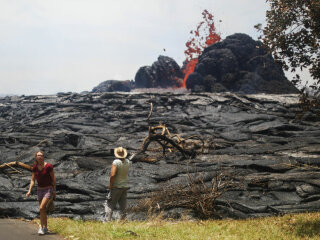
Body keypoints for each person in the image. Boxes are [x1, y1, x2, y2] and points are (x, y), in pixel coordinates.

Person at [26, 151, 56, 235]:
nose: (40, 157)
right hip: (39, 190)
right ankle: (45, 227)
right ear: (36, 157)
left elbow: (53, 179)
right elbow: (32, 180)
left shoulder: (49, 166)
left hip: (48, 189)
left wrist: (54, 190)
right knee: (43, 211)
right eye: (38, 156)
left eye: (41, 155)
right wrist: (29, 191)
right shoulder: (35, 167)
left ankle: (41, 227)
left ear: (43, 157)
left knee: (42, 208)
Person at [105, 147, 131, 221]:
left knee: (109, 204)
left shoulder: (116, 162)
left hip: (116, 186)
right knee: (123, 205)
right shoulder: (128, 162)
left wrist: (110, 185)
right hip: (125, 185)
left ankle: (107, 221)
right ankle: (123, 220)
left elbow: (112, 175)